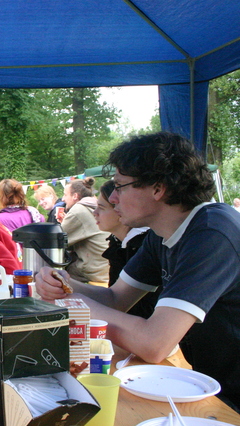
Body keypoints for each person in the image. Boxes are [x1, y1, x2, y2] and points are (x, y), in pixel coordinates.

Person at [35, 132, 240, 410]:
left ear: (158, 188)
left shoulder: (212, 232)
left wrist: (76, 304)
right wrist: (67, 283)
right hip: (209, 384)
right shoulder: (162, 233)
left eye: (120, 186)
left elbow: (154, 343)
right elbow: (115, 299)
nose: (113, 198)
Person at [93, 180, 157, 319]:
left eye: (101, 208)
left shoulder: (143, 244)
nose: (94, 213)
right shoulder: (118, 242)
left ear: (119, 209)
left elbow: (140, 309)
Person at [59, 177, 110, 283]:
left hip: (93, 273)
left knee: (57, 275)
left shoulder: (79, 210)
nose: (63, 199)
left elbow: (57, 239)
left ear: (75, 196)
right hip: (106, 269)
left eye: (65, 195)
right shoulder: (94, 205)